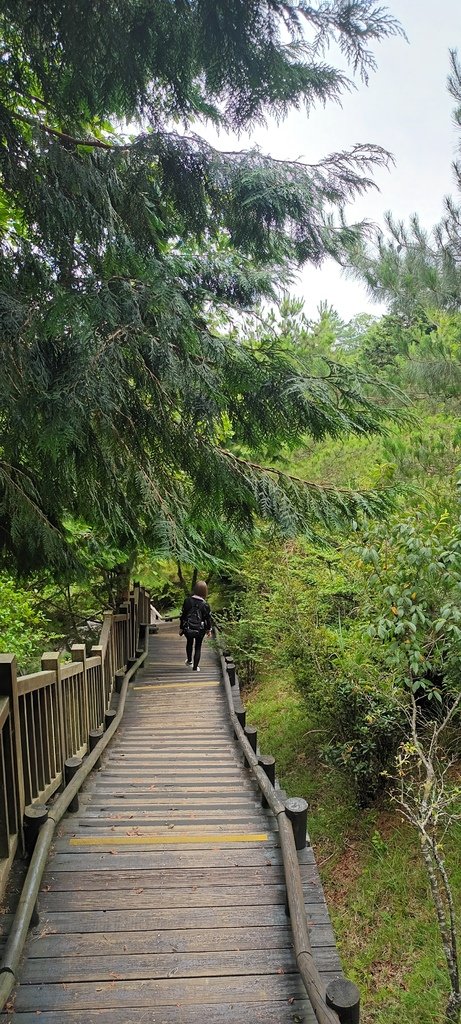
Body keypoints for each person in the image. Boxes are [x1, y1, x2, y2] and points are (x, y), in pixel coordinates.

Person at [180, 581, 212, 671]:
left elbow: (183, 615)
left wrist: (181, 628)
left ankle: (189, 661)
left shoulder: (187, 601)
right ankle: (195, 667)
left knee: (189, 643)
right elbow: (207, 619)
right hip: (200, 629)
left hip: (188, 627)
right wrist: (208, 629)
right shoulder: (205, 605)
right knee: (198, 646)